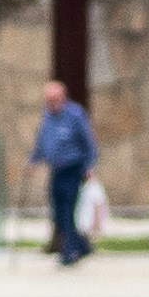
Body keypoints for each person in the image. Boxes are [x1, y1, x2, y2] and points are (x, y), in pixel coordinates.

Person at [30, 77, 98, 266]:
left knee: (68, 210)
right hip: (56, 170)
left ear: (62, 98)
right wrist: (32, 161)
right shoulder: (47, 116)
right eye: (48, 100)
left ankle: (68, 252)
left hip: (73, 169)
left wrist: (89, 167)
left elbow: (89, 144)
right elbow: (42, 141)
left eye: (54, 99)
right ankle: (83, 246)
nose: (50, 104)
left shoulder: (75, 115)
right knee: (57, 212)